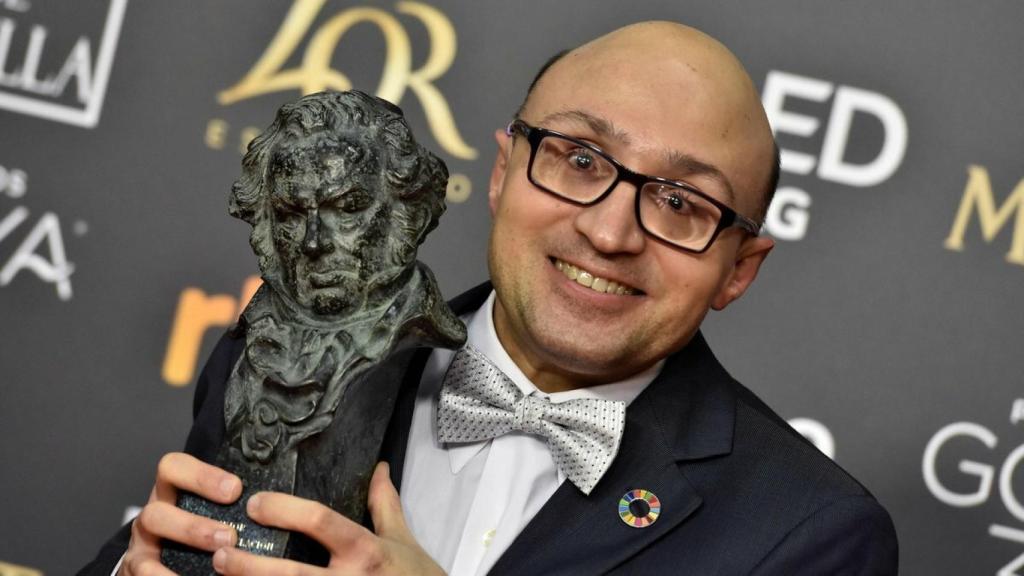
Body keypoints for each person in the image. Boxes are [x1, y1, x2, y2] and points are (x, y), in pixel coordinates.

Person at [81, 20, 898, 576]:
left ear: (739, 269)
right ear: (504, 173)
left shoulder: (808, 534)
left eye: (682, 203)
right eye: (580, 160)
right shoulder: (279, 353)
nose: (611, 232)